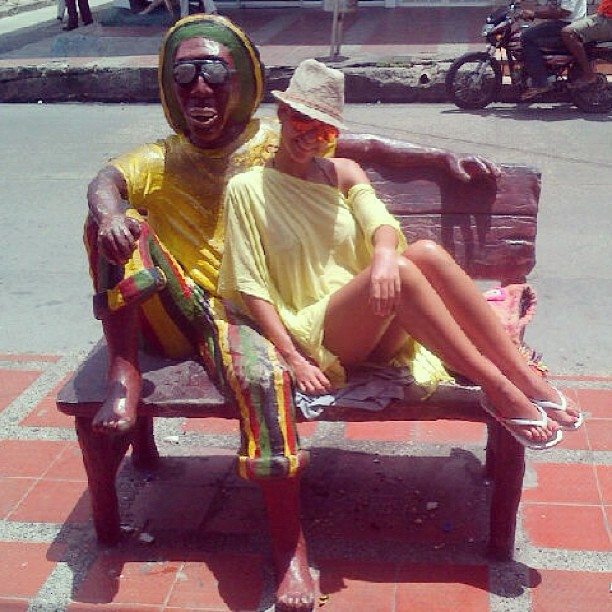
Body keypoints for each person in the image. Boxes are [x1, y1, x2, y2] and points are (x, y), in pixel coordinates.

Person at [85, 14, 512, 610]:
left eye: (215, 73)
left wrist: (441, 157)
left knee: (263, 377)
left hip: (249, 313)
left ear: (243, 83)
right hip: (185, 308)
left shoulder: (268, 141)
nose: (200, 89)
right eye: (184, 76)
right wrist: (109, 212)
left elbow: (361, 147)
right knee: (106, 225)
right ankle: (123, 369)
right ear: (168, 87)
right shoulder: (159, 158)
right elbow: (106, 179)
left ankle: (289, 548)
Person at [220, 59, 585, 603]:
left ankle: (522, 379)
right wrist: (293, 357)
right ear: (283, 114)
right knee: (412, 270)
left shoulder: (343, 172)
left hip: (377, 308)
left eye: (323, 128)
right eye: (301, 121)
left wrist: (385, 256)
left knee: (424, 252)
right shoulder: (247, 189)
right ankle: (498, 385)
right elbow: (249, 287)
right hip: (319, 329)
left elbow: (381, 223)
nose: (310, 136)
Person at [519, 0, 586, 99]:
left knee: (527, 37)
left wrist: (534, 14)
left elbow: (565, 12)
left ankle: (540, 83)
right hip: (564, 23)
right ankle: (545, 71)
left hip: (569, 25)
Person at [561, 0, 612, 88]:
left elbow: (566, 12)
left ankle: (589, 75)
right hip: (602, 16)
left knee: (568, 32)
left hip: (608, 20)